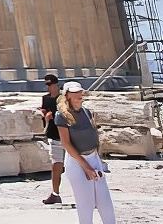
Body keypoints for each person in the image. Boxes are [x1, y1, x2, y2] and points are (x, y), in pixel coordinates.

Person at [55, 81, 115, 224]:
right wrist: (86, 167)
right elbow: (66, 144)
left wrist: (98, 161)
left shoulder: (87, 112)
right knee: (85, 204)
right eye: (74, 93)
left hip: (94, 158)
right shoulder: (62, 115)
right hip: (77, 162)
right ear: (67, 95)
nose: (79, 95)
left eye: (80, 92)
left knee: (105, 202)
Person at [41, 73, 65, 205]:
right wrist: (46, 116)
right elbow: (44, 114)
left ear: (56, 84)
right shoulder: (45, 99)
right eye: (47, 85)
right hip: (55, 136)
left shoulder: (64, 98)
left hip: (69, 136)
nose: (49, 88)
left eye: (51, 85)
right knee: (56, 166)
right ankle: (55, 194)